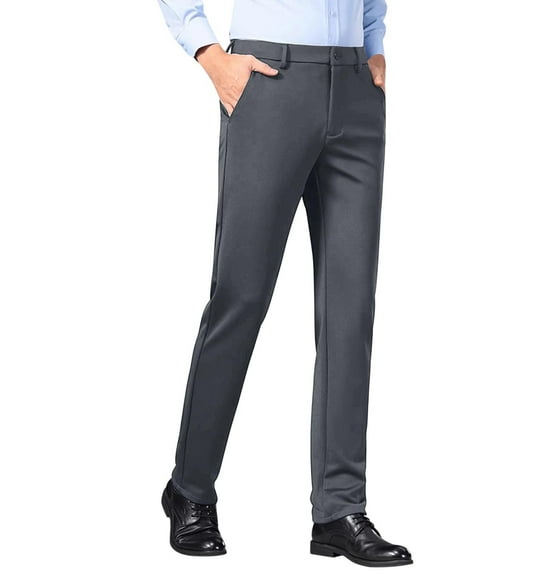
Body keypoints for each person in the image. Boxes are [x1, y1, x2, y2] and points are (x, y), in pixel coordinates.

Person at [156, 0, 413, 567]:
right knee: (241, 297)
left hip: (355, 87)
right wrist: (210, 55)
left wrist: (373, 47)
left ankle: (340, 510)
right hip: (268, 81)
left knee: (350, 311)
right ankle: (189, 490)